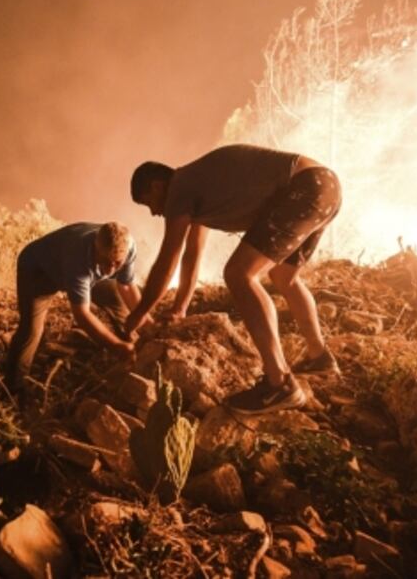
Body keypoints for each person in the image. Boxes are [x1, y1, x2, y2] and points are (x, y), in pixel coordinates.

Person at [124, 144, 341, 415]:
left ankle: (280, 383)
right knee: (284, 276)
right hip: (325, 186)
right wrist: (180, 308)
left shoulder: (179, 188)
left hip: (304, 188)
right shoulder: (198, 186)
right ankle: (318, 356)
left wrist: (140, 312)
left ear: (157, 186)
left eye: (149, 203)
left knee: (240, 274)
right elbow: (192, 255)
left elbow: (170, 256)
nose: (154, 212)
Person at [4, 221, 142, 399]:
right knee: (31, 330)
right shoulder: (77, 256)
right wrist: (116, 346)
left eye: (117, 263)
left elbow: (127, 287)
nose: (110, 269)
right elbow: (82, 315)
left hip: (87, 271)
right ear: (95, 248)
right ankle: (13, 391)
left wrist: (146, 320)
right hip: (39, 271)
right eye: (106, 262)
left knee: (115, 298)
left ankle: (132, 349)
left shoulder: (128, 247)